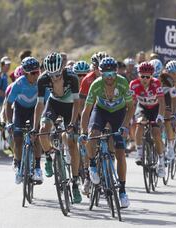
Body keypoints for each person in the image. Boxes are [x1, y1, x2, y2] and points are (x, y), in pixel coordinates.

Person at [80, 56, 134, 208]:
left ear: (116, 73)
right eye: (105, 75)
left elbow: (131, 108)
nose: (109, 78)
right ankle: (92, 165)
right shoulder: (96, 85)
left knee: (120, 152)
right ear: (100, 73)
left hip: (119, 112)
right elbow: (86, 110)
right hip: (101, 111)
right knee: (92, 136)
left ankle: (122, 191)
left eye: (112, 75)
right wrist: (84, 131)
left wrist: (124, 126)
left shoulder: (123, 83)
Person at [32, 52, 82, 203]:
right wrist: (35, 127)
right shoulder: (42, 79)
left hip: (70, 107)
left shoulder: (72, 77)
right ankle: (48, 155)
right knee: (42, 132)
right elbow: (39, 104)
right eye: (51, 75)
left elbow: (77, 103)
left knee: (72, 142)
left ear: (62, 68)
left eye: (58, 74)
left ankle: (74, 184)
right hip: (53, 105)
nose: (55, 78)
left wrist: (73, 123)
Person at [6, 57, 42, 184]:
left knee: (36, 136)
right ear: (26, 73)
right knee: (18, 138)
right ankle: (19, 165)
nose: (36, 75)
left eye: (38, 72)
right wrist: (10, 122)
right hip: (20, 110)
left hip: (34, 110)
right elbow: (8, 103)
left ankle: (37, 168)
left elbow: (47, 102)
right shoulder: (19, 83)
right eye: (33, 73)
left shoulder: (41, 82)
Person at [78, 51, 108, 195]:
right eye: (97, 67)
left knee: (110, 141)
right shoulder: (87, 80)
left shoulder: (111, 79)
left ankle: (107, 172)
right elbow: (82, 105)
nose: (99, 71)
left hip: (106, 112)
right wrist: (83, 124)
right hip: (90, 112)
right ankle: (87, 176)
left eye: (101, 67)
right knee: (88, 142)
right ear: (93, 67)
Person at [130, 62, 166, 177]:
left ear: (152, 76)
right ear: (138, 75)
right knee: (140, 123)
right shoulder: (134, 84)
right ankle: (139, 151)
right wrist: (130, 117)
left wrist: (160, 117)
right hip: (142, 108)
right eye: (142, 76)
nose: (145, 79)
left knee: (156, 133)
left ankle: (161, 161)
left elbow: (162, 102)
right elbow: (132, 102)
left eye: (147, 76)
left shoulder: (156, 84)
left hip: (155, 108)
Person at [163, 60, 176, 160]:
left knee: (168, 120)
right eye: (172, 73)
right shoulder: (162, 79)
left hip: (173, 101)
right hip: (161, 100)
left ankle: (170, 146)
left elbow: (175, 100)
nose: (175, 75)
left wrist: (174, 113)